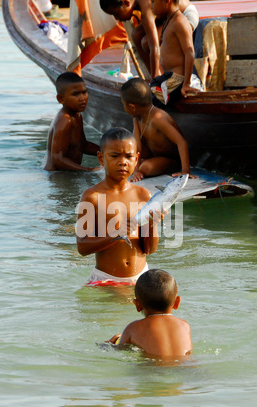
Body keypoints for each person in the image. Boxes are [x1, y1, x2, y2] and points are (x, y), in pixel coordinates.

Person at [76, 128, 164, 285]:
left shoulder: (143, 196)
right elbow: (82, 247)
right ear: (101, 158)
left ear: (136, 159)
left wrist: (152, 224)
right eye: (115, 156)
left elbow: (149, 250)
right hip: (106, 280)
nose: (123, 161)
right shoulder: (92, 197)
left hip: (140, 279)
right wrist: (116, 234)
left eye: (129, 156)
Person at [100, 0, 199, 80]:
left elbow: (154, 46)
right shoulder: (142, 8)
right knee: (136, 34)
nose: (117, 19)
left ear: (126, 3)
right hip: (166, 19)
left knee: (146, 43)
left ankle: (158, 76)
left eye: (116, 14)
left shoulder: (146, 10)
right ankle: (154, 77)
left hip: (186, 15)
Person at [108, 269, 193, 358]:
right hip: (186, 367)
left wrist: (110, 344)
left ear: (137, 305)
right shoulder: (184, 325)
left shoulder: (133, 328)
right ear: (177, 302)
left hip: (153, 369)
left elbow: (119, 351)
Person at [121, 78, 191, 181]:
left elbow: (181, 142)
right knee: (126, 152)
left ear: (132, 107)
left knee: (145, 167)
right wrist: (136, 171)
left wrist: (185, 172)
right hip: (152, 155)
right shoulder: (136, 117)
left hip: (171, 160)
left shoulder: (158, 118)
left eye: (123, 104)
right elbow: (137, 147)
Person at [43, 72, 100, 172]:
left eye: (84, 92)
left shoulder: (77, 116)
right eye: (75, 94)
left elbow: (83, 145)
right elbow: (57, 159)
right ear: (61, 99)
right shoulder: (64, 120)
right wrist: (89, 170)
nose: (82, 98)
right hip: (56, 176)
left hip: (67, 173)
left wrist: (108, 152)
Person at [151, 0, 201, 105]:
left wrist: (186, 84)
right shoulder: (168, 20)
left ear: (167, 1)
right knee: (149, 88)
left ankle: (162, 116)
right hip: (168, 77)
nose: (152, 7)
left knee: (151, 97)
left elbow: (189, 52)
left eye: (154, 2)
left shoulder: (180, 21)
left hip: (178, 80)